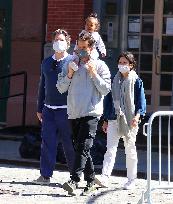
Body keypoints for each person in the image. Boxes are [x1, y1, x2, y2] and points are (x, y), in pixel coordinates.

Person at [56, 32, 111, 195]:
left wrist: (93, 74)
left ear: (91, 47)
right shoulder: (70, 63)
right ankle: (91, 180)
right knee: (82, 149)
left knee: (83, 146)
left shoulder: (100, 66)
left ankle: (74, 180)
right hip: (74, 112)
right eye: (78, 47)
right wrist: (69, 74)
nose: (80, 51)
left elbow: (106, 89)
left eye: (84, 48)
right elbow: (60, 88)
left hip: (92, 112)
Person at [95, 51, 146, 190]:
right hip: (113, 118)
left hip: (130, 120)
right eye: (120, 62)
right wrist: (105, 119)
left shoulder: (136, 81)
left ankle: (131, 179)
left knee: (130, 150)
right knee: (110, 149)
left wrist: (137, 117)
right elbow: (108, 101)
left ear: (131, 65)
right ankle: (104, 177)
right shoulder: (114, 80)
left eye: (125, 63)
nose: (122, 65)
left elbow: (141, 102)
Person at [32, 29, 75, 185]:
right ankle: (45, 175)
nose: (59, 42)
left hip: (66, 110)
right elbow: (42, 85)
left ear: (68, 43)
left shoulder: (72, 61)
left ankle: (74, 176)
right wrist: (39, 107)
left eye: (62, 39)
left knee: (69, 143)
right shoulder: (46, 62)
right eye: (56, 39)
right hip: (48, 109)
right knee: (47, 143)